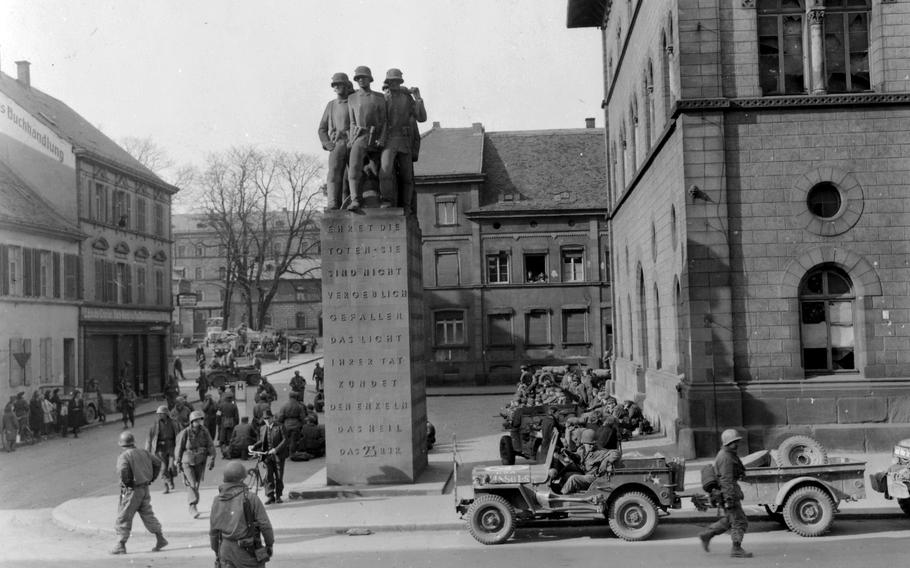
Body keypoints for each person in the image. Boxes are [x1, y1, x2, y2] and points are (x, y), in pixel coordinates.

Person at [111, 431, 168, 555]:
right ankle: (160, 538)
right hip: (144, 488)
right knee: (148, 514)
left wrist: (128, 484)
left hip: (132, 491)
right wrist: (152, 477)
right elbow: (158, 463)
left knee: (124, 516)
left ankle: (120, 544)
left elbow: (123, 471)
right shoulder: (144, 452)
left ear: (122, 444)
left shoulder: (124, 456)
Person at [698, 429, 752, 558]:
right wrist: (729, 499)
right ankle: (736, 548)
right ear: (728, 443)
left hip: (729, 492)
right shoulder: (726, 457)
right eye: (734, 442)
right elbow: (726, 480)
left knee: (730, 520)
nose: (737, 444)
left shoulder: (728, 454)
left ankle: (707, 534)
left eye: (737, 441)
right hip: (728, 494)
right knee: (740, 521)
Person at [210, 461, 275, 568]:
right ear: (241, 480)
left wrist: (217, 552)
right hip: (247, 552)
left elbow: (213, 531)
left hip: (225, 551)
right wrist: (269, 544)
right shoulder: (250, 498)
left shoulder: (217, 500)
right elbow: (265, 525)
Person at [379, 68, 426, 212]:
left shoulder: (407, 98)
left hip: (404, 141)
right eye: (391, 81)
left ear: (400, 82)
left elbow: (421, 117)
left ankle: (406, 205)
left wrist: (418, 98)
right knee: (385, 171)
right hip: (388, 140)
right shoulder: (383, 99)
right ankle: (387, 201)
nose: (393, 83)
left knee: (407, 177)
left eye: (396, 81)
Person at [346, 65, 387, 211]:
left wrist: (382, 138)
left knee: (380, 170)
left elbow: (384, 121)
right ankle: (355, 199)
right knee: (354, 169)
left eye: (363, 77)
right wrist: (352, 139)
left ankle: (383, 198)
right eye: (358, 78)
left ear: (370, 79)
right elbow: (351, 121)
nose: (361, 80)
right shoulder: (351, 98)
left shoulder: (379, 97)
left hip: (375, 137)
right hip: (359, 137)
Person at [318, 72, 354, 210]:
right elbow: (322, 128)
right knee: (334, 174)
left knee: (353, 175)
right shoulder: (331, 105)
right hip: (337, 145)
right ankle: (333, 203)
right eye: (336, 85)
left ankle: (351, 202)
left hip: (353, 144)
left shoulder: (354, 101)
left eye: (341, 84)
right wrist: (327, 143)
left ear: (347, 85)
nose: (338, 87)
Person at [176, 410, 216, 518]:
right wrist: (178, 462)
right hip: (187, 461)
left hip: (199, 461)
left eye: (201, 419)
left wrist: (212, 459)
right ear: (192, 421)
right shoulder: (185, 432)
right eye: (197, 420)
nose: (199, 422)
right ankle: (192, 506)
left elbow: (210, 445)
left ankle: (193, 503)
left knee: (196, 484)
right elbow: (179, 447)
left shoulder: (204, 431)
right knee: (192, 483)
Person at [559, 429, 620, 494]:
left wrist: (606, 460)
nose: (592, 446)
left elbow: (616, 453)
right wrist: (568, 453)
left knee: (573, 479)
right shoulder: (582, 449)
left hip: (594, 477)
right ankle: (569, 493)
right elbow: (577, 457)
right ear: (584, 443)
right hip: (586, 474)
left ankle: (561, 496)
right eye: (589, 444)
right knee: (566, 474)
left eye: (593, 444)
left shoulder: (600, 452)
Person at [252, 409, 288, 504]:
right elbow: (261, 441)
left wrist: (276, 449)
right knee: (268, 476)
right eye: (265, 419)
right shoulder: (263, 428)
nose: (267, 420)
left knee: (279, 476)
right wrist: (254, 446)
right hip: (267, 456)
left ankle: (278, 496)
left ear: (272, 417)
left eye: (268, 418)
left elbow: (285, 440)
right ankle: (270, 495)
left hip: (278, 455)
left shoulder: (280, 427)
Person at [147, 405, 179, 494]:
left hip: (172, 446)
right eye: (158, 414)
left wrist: (180, 447)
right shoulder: (155, 424)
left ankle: (170, 479)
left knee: (172, 466)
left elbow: (179, 435)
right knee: (163, 468)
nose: (159, 415)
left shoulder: (173, 423)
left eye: (161, 414)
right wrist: (147, 451)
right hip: (160, 448)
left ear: (166, 414)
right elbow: (149, 438)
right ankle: (166, 486)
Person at [277, 390, 305, 456]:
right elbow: (302, 417)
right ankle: (292, 453)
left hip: (286, 425)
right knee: (294, 441)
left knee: (285, 440)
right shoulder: (299, 406)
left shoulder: (284, 405)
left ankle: (285, 453)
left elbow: (280, 417)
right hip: (296, 425)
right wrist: (302, 424)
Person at [217, 391, 240, 459]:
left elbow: (218, 415)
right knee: (230, 439)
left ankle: (224, 453)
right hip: (232, 424)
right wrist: (236, 424)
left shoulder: (221, 405)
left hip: (223, 423)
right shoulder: (234, 406)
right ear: (231, 398)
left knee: (222, 439)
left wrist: (218, 422)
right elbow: (236, 416)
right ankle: (229, 453)